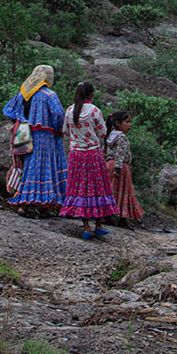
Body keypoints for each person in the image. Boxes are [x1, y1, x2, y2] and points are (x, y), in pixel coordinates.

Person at [3, 64, 67, 216]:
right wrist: (58, 129)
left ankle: (26, 204)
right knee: (44, 169)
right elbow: (59, 114)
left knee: (27, 166)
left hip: (24, 134)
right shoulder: (49, 95)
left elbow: (8, 110)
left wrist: (21, 120)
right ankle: (41, 205)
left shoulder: (23, 94)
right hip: (44, 136)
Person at [58, 81, 119, 238]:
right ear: (91, 94)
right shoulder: (94, 111)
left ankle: (86, 227)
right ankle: (98, 225)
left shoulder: (70, 111)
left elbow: (65, 131)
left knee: (80, 188)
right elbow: (103, 133)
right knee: (97, 187)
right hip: (93, 154)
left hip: (76, 155)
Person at [105, 110, 144, 222]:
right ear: (118, 123)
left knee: (111, 191)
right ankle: (122, 218)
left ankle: (107, 216)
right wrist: (118, 168)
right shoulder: (121, 137)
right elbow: (120, 153)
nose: (130, 125)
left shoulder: (109, 136)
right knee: (123, 192)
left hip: (109, 165)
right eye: (127, 122)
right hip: (120, 167)